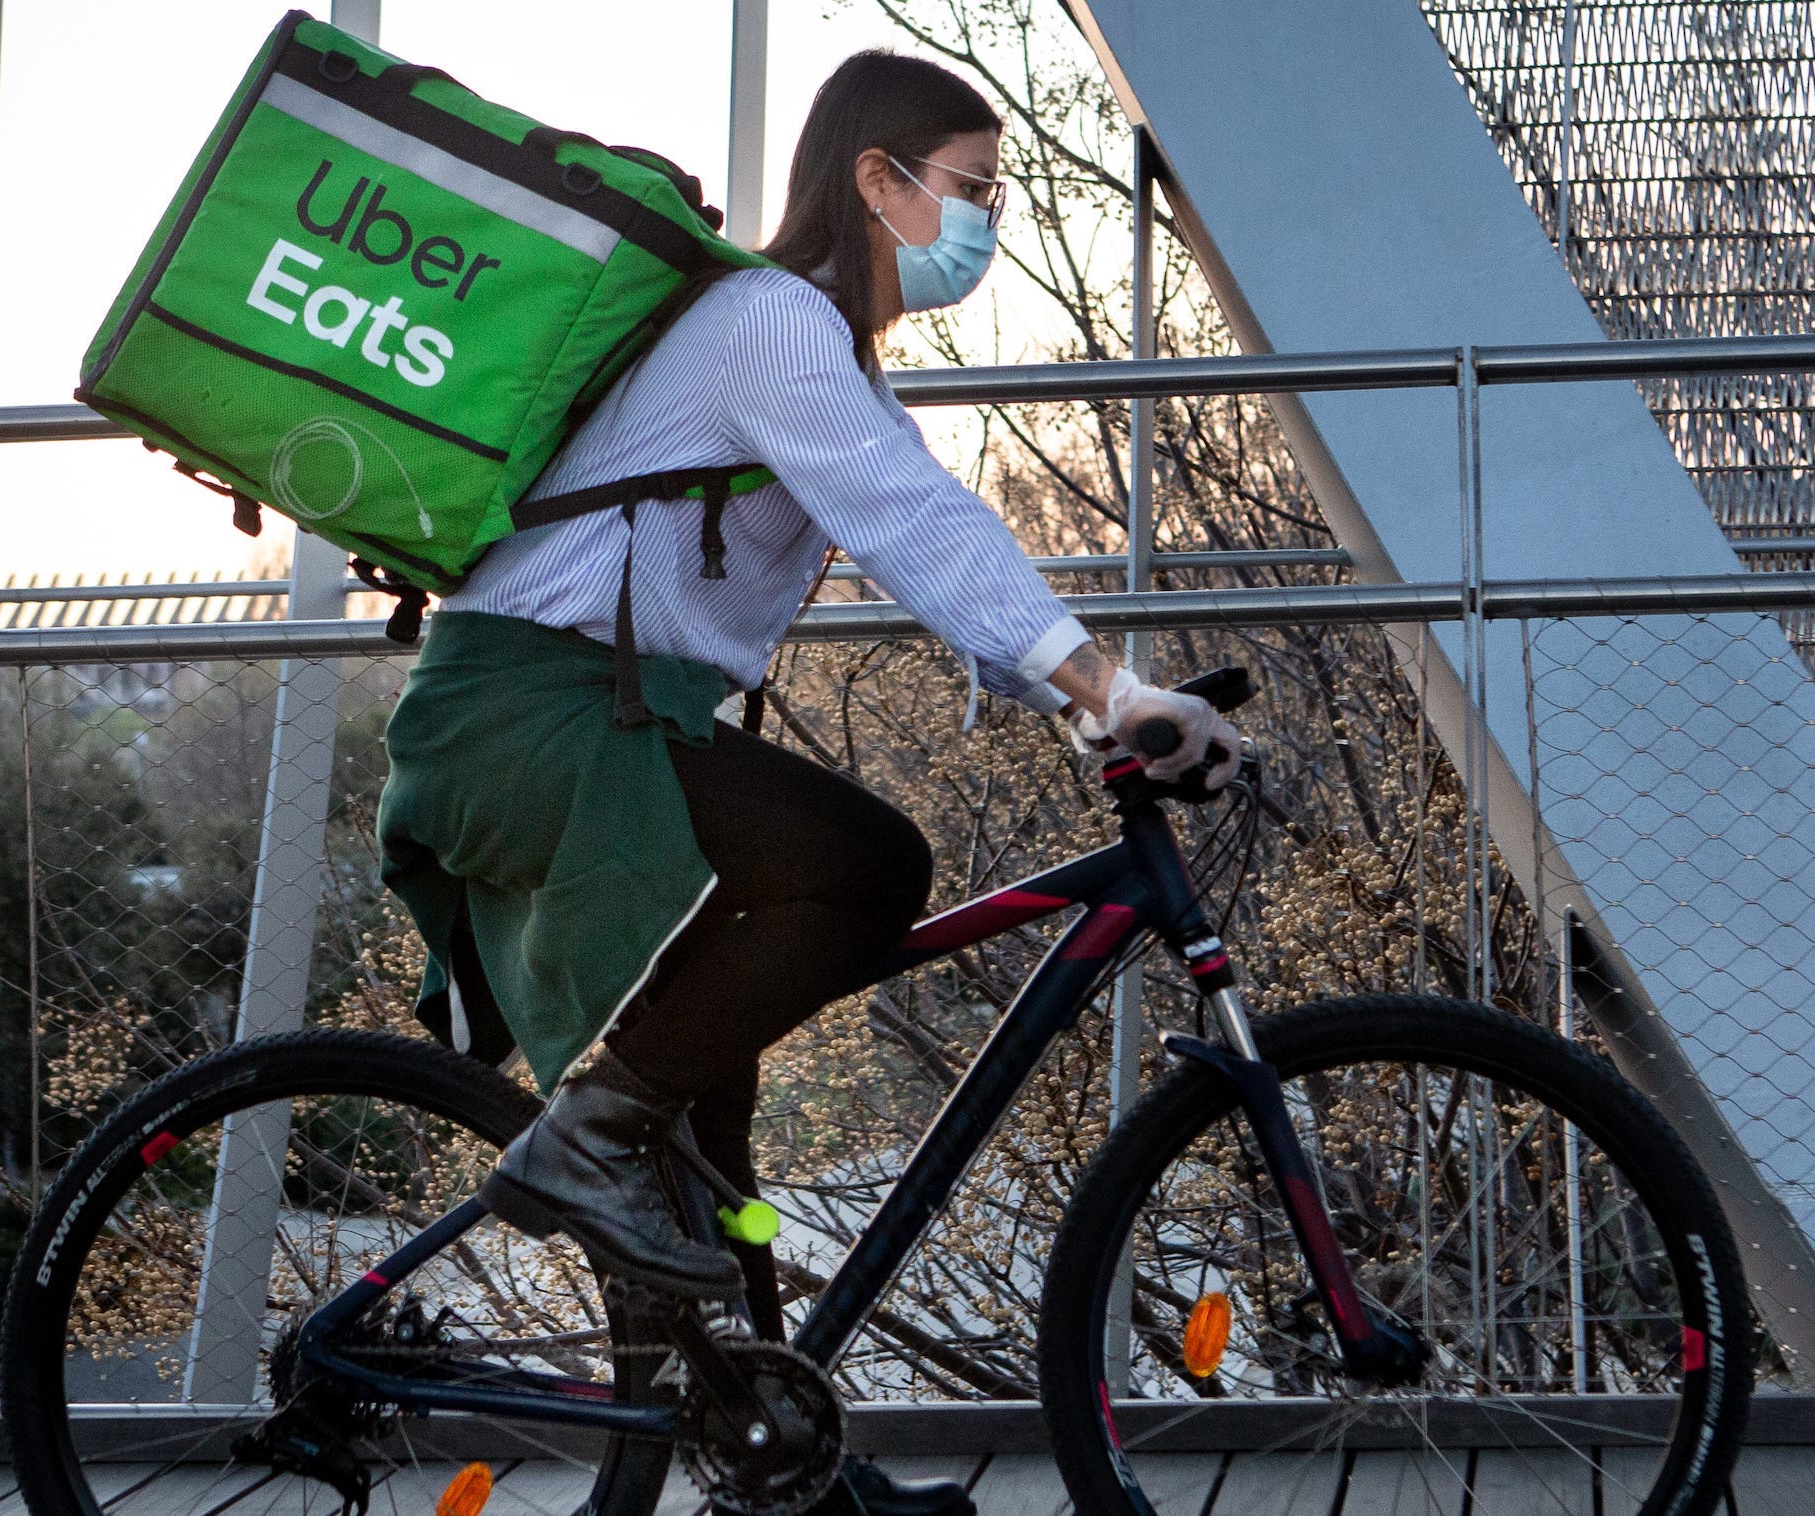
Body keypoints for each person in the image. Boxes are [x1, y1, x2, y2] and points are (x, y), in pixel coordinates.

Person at [377, 47, 1238, 1516]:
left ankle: (784, 1475)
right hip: (539, 717)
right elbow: (912, 516)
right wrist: (1111, 681)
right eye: (969, 191)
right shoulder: (771, 320)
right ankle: (580, 1135)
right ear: (875, 180)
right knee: (864, 869)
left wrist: (1084, 704)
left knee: (715, 1155)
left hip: (597, 718)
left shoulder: (821, 350)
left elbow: (936, 545)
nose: (988, 225)